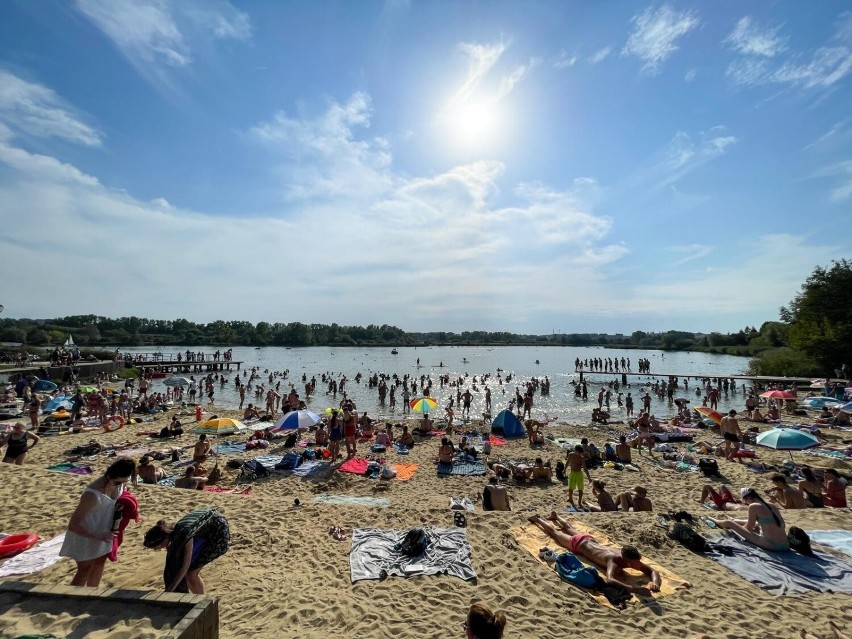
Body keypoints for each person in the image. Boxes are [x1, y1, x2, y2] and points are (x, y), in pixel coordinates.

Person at [528, 512, 661, 595]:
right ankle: (538, 519)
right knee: (556, 533)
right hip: (578, 544)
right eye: (635, 563)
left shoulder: (630, 558)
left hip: (589, 539)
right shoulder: (614, 561)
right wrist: (634, 589)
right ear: (627, 561)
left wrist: (655, 582)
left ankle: (556, 516)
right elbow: (610, 579)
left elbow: (652, 570)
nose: (638, 565)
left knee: (569, 528)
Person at [60, 457, 136, 587]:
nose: (121, 485)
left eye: (124, 481)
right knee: (84, 569)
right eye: (118, 482)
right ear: (110, 475)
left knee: (100, 562)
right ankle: (72, 599)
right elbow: (73, 524)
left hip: (104, 532)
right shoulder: (92, 494)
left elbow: (122, 491)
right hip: (85, 534)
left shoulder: (120, 482)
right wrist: (98, 535)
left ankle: (92, 592)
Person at [143, 508, 230, 594]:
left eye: (156, 547)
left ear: (163, 542)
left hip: (218, 530)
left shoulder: (184, 535)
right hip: (209, 523)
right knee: (187, 570)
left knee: (191, 574)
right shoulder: (172, 533)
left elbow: (185, 566)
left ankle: (201, 599)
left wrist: (170, 590)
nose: (156, 549)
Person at [710, 487, 789, 551]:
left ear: (748, 498)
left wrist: (738, 528)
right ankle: (734, 520)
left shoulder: (753, 506)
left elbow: (749, 527)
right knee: (756, 524)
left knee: (729, 523)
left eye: (745, 501)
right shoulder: (771, 505)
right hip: (785, 545)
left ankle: (713, 520)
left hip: (772, 545)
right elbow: (771, 522)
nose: (746, 503)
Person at [565, 445, 592, 509]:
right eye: (579, 452)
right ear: (575, 450)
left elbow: (585, 469)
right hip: (572, 473)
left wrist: (589, 477)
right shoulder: (570, 455)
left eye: (581, 453)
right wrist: (564, 469)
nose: (580, 454)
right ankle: (570, 498)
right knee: (570, 487)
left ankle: (579, 502)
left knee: (580, 488)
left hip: (579, 474)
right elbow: (568, 462)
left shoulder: (582, 458)